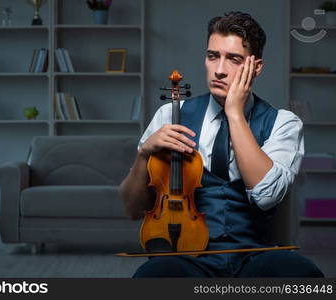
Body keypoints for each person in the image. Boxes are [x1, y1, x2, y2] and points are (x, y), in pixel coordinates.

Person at [119, 11, 324, 277]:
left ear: (256, 67)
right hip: (188, 256)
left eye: (233, 59)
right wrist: (144, 155)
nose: (218, 70)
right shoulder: (171, 114)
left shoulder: (283, 123)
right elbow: (131, 209)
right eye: (213, 56)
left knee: (304, 277)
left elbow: (266, 197)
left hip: (255, 255)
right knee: (151, 276)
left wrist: (235, 113)